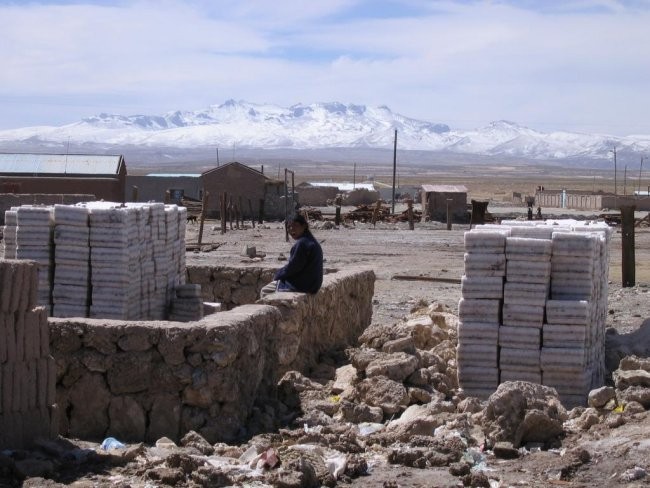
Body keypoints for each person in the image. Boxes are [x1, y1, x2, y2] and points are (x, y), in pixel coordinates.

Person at [260, 214, 323, 297]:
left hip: (303, 285)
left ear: (304, 226)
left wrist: (278, 275)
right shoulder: (311, 241)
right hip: (313, 285)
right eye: (289, 227)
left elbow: (293, 267)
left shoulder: (302, 243)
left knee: (265, 291)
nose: (291, 229)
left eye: (295, 226)